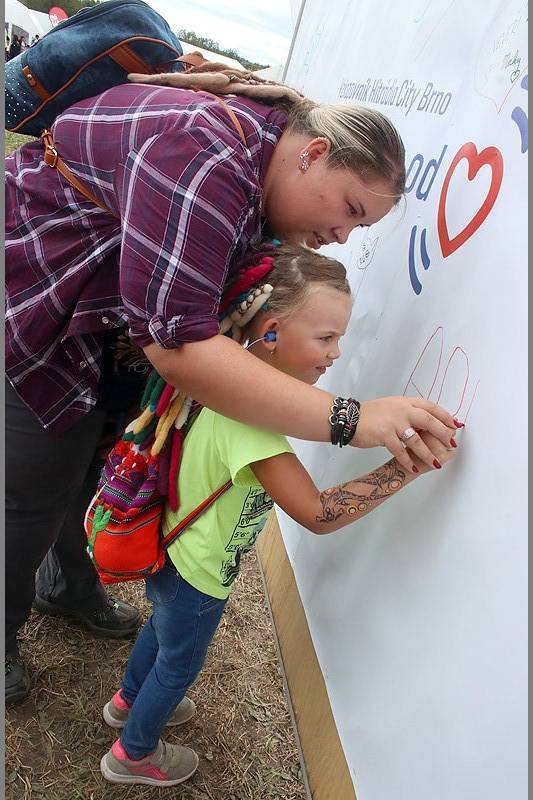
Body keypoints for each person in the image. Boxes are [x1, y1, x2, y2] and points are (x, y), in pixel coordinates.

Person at [5, 72, 459, 705]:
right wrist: (353, 419)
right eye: (351, 210)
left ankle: (68, 584)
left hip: (108, 317)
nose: (343, 235)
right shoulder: (206, 156)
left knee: (86, 463)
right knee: (31, 488)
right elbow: (179, 347)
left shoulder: (259, 161)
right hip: (40, 296)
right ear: (314, 153)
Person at [98, 243, 459, 787]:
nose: (336, 353)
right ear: (270, 332)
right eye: (326, 337)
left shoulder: (221, 380)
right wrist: (404, 468)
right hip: (201, 576)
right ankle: (132, 754)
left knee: (162, 632)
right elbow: (318, 513)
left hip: (173, 551)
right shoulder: (255, 428)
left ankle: (127, 701)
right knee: (179, 664)